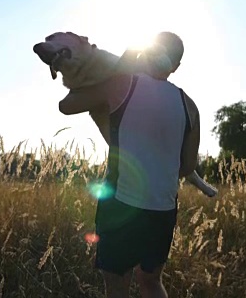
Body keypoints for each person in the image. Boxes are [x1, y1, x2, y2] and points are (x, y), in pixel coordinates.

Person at [58, 32, 200, 298]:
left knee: (117, 287)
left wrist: (119, 67)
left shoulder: (122, 85)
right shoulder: (189, 105)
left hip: (121, 206)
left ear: (146, 51)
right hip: (163, 209)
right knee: (151, 282)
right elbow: (187, 166)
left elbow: (67, 106)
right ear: (176, 66)